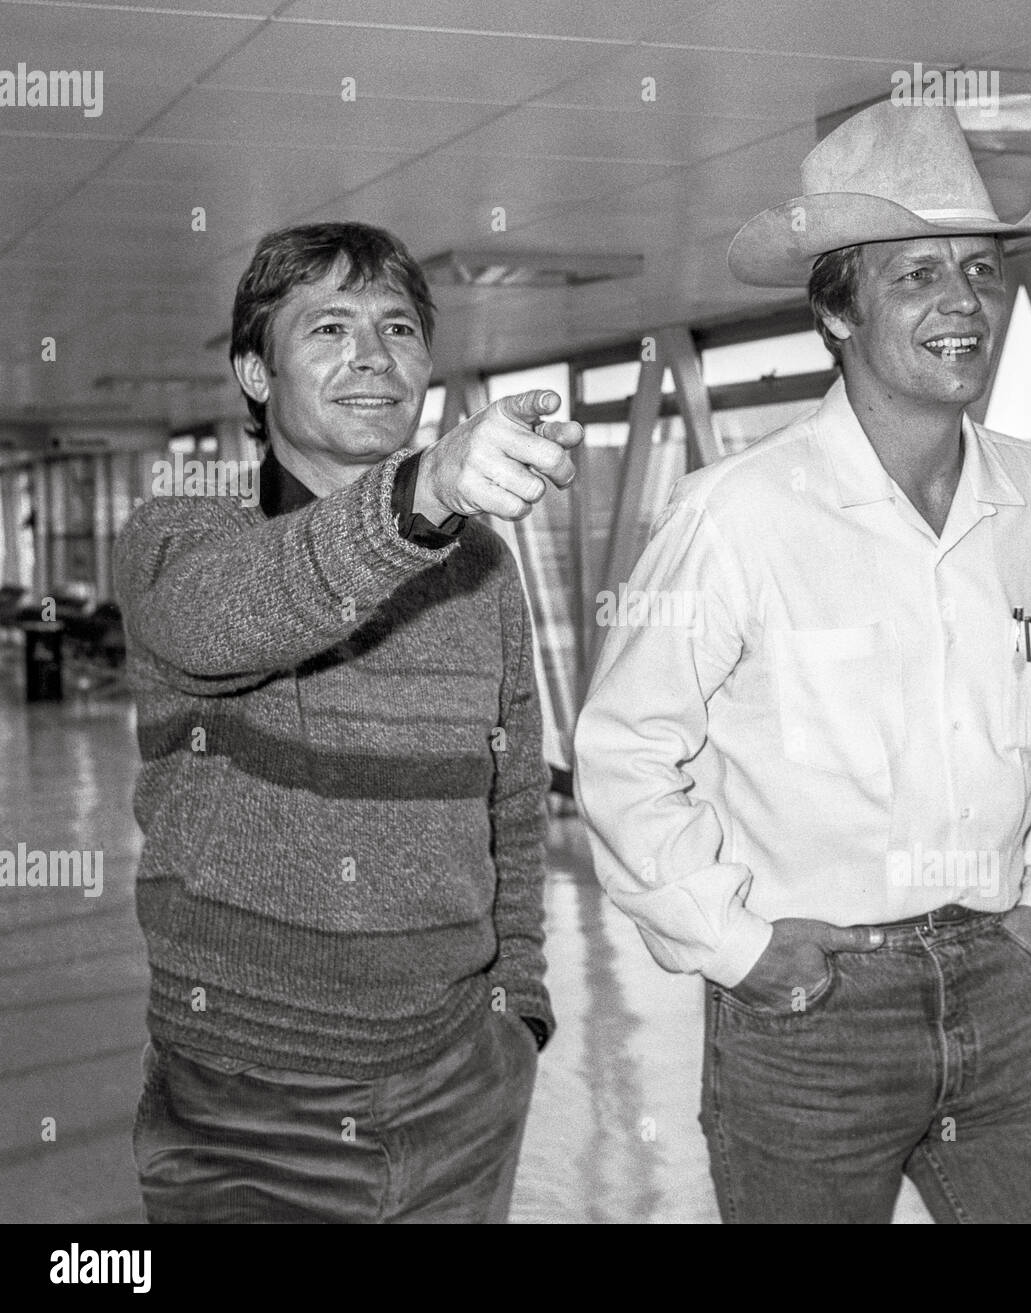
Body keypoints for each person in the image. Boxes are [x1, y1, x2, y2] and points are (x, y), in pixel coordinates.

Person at [573, 101, 1031, 1223]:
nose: (961, 302)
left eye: (978, 269)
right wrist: (736, 945)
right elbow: (623, 753)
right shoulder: (735, 516)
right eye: (915, 274)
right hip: (809, 1016)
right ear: (837, 309)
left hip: (1005, 992)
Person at [115, 221, 582, 1223]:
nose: (373, 356)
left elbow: (509, 798)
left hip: (459, 1092)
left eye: (400, 328)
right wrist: (417, 497)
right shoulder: (180, 537)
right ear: (253, 369)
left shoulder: (480, 571)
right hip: (248, 1116)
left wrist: (520, 1012)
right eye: (328, 326)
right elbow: (231, 614)